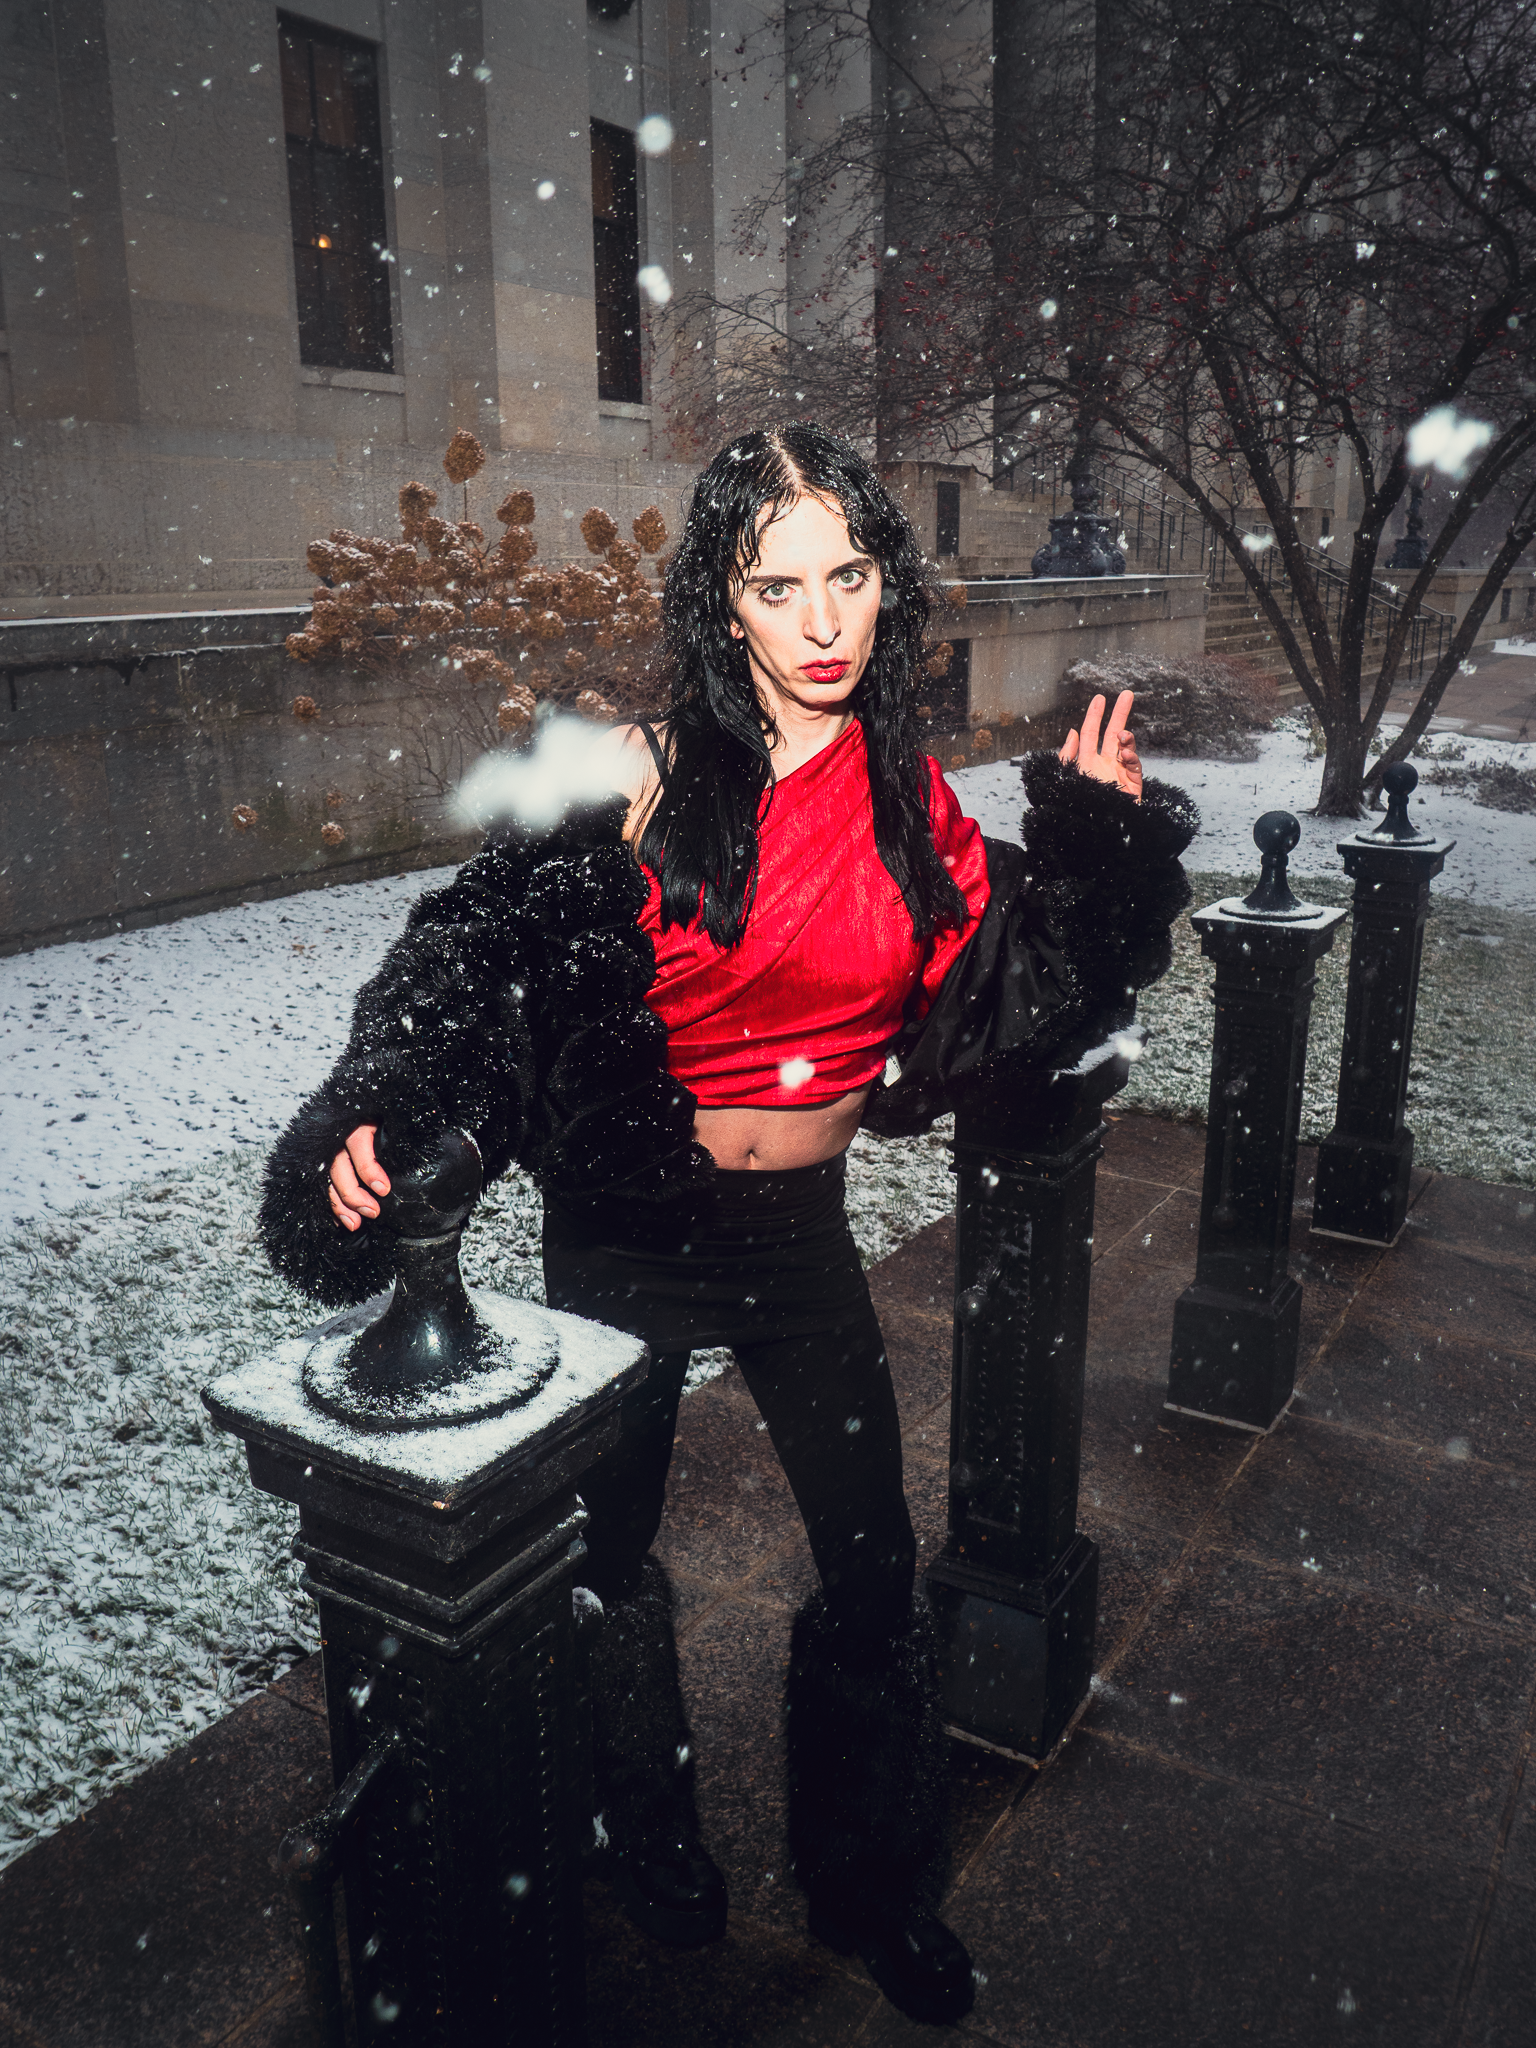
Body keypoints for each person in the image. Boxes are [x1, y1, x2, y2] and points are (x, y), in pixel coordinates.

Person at [259, 423, 1196, 2027]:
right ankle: (645, 1828)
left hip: (798, 1243)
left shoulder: (918, 812)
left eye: (850, 575)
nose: (825, 618)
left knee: (870, 1560)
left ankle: (869, 1883)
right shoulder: (636, 773)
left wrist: (1102, 856)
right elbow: (467, 966)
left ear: (888, 583)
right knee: (601, 1563)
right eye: (782, 585)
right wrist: (384, 1114)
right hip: (626, 1234)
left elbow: (1021, 1001)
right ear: (725, 603)